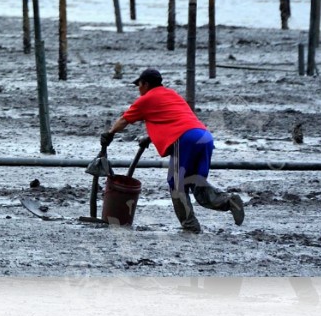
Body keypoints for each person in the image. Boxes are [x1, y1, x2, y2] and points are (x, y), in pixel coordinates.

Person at [104, 67, 245, 233]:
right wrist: (151, 137)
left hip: (185, 139)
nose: (139, 89)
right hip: (203, 137)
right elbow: (173, 118)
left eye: (139, 85)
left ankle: (190, 226)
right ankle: (228, 202)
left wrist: (109, 133)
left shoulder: (146, 99)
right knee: (195, 181)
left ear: (146, 84)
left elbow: (124, 120)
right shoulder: (171, 94)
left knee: (176, 184)